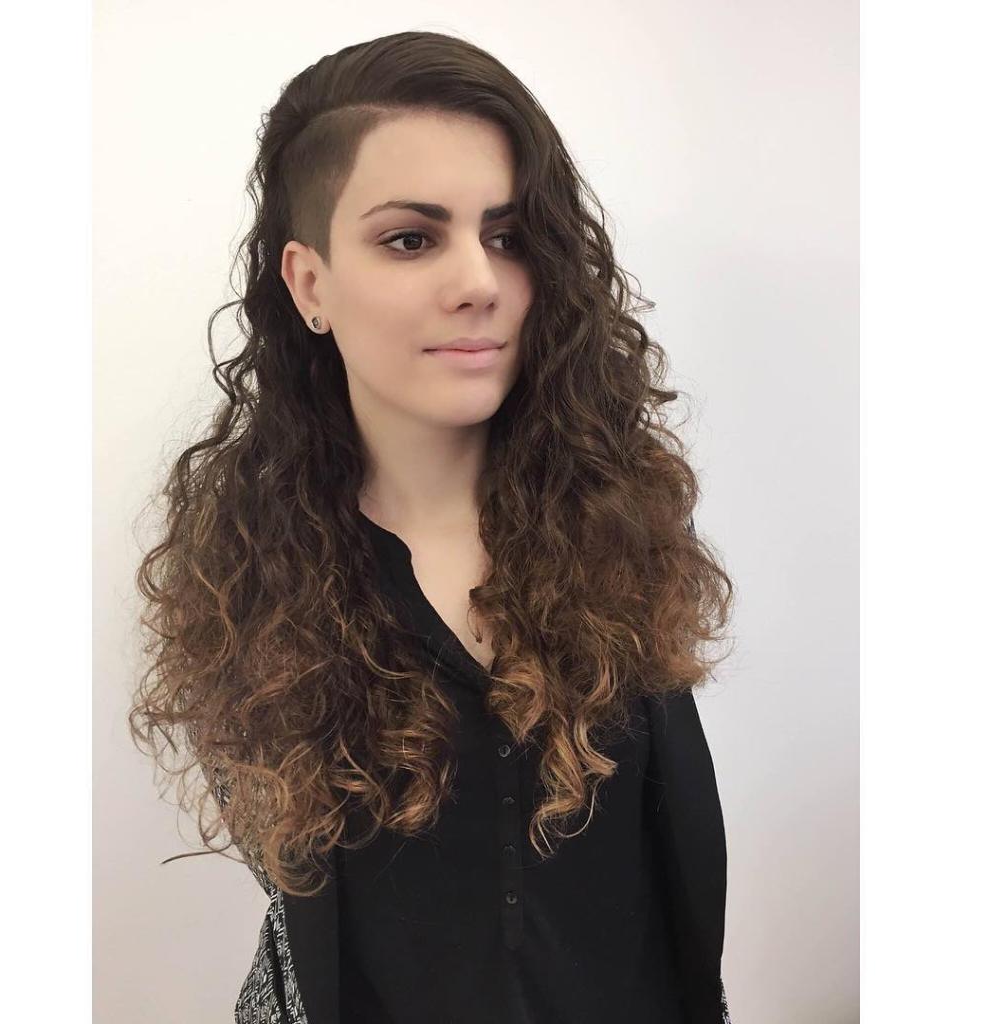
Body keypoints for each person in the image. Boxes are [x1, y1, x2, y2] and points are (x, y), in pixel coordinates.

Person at [129, 29, 735, 1024]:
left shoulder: (622, 524)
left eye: (508, 236)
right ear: (310, 284)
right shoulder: (244, 579)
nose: (479, 281)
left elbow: (671, 870)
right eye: (411, 239)